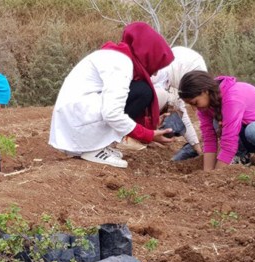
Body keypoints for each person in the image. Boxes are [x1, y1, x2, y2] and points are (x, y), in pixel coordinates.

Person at [49, 22, 175, 168]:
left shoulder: (117, 56)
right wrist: (148, 135)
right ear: (147, 56)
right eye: (156, 65)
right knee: (143, 92)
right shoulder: (120, 63)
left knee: (141, 90)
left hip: (74, 118)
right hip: (78, 121)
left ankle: (99, 144)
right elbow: (112, 113)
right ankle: (92, 148)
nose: (155, 73)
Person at [151, 46, 207, 161]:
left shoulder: (174, 85)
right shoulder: (155, 77)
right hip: (124, 121)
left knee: (176, 121)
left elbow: (183, 116)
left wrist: (196, 147)